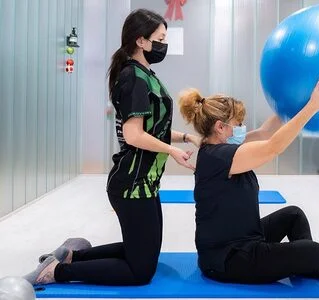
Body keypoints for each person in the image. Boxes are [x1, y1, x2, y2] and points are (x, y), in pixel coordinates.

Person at [24, 9, 200, 286]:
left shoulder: (146, 75)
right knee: (140, 272)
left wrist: (187, 138)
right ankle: (57, 272)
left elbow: (155, 130)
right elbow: (133, 135)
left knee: (145, 255)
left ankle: (72, 258)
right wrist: (172, 151)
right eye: (161, 38)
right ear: (141, 41)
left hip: (146, 182)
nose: (164, 44)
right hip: (131, 183)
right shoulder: (134, 78)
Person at [178, 79, 319, 284]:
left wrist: (292, 103)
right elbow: (273, 146)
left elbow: (265, 133)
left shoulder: (221, 147)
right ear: (220, 127)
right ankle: (308, 265)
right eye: (238, 124)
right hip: (228, 259)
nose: (242, 128)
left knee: (293, 215)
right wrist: (313, 107)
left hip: (244, 237)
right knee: (315, 252)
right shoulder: (218, 157)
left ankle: (303, 266)